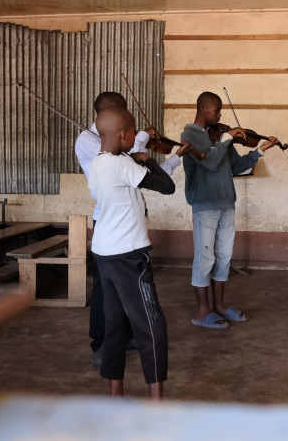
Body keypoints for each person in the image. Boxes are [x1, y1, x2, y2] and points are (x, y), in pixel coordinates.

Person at [88, 107, 173, 399]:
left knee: (115, 326)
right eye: (132, 132)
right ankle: (157, 400)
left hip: (103, 252)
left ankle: (116, 393)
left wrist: (132, 159)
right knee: (151, 324)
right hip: (129, 255)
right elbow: (167, 186)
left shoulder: (96, 164)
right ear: (123, 135)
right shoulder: (123, 165)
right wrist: (148, 161)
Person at [181, 91, 277, 329]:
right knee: (205, 258)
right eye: (216, 110)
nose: (220, 115)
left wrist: (261, 150)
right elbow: (210, 161)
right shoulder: (190, 135)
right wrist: (225, 138)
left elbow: (236, 165)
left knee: (223, 257)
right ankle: (203, 311)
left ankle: (220, 305)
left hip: (226, 203)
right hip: (205, 205)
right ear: (203, 109)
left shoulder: (220, 136)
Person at [74, 91, 152, 369]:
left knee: (127, 288)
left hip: (127, 216)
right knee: (105, 290)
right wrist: (141, 140)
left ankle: (124, 336)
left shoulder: (110, 139)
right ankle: (101, 343)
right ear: (109, 116)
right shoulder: (87, 140)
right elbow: (123, 157)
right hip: (108, 220)